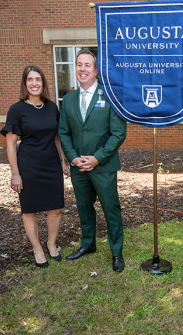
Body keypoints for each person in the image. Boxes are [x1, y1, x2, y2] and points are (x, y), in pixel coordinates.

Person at [58, 49, 127, 272]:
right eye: (79, 64)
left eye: (87, 65)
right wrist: (72, 158)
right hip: (79, 167)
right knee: (84, 207)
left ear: (96, 71)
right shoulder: (67, 100)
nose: (82, 69)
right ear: (75, 69)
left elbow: (118, 133)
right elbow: (64, 132)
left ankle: (117, 252)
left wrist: (97, 158)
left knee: (111, 208)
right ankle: (88, 245)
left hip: (103, 166)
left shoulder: (110, 97)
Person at [1, 66, 70, 268]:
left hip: (51, 164)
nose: (34, 83)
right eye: (30, 79)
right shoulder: (16, 109)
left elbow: (57, 137)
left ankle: (51, 243)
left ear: (43, 83)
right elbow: (11, 144)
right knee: (30, 210)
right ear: (25, 83)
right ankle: (37, 249)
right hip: (28, 165)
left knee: (56, 208)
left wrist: (63, 160)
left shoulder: (51, 107)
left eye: (38, 79)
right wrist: (15, 174)